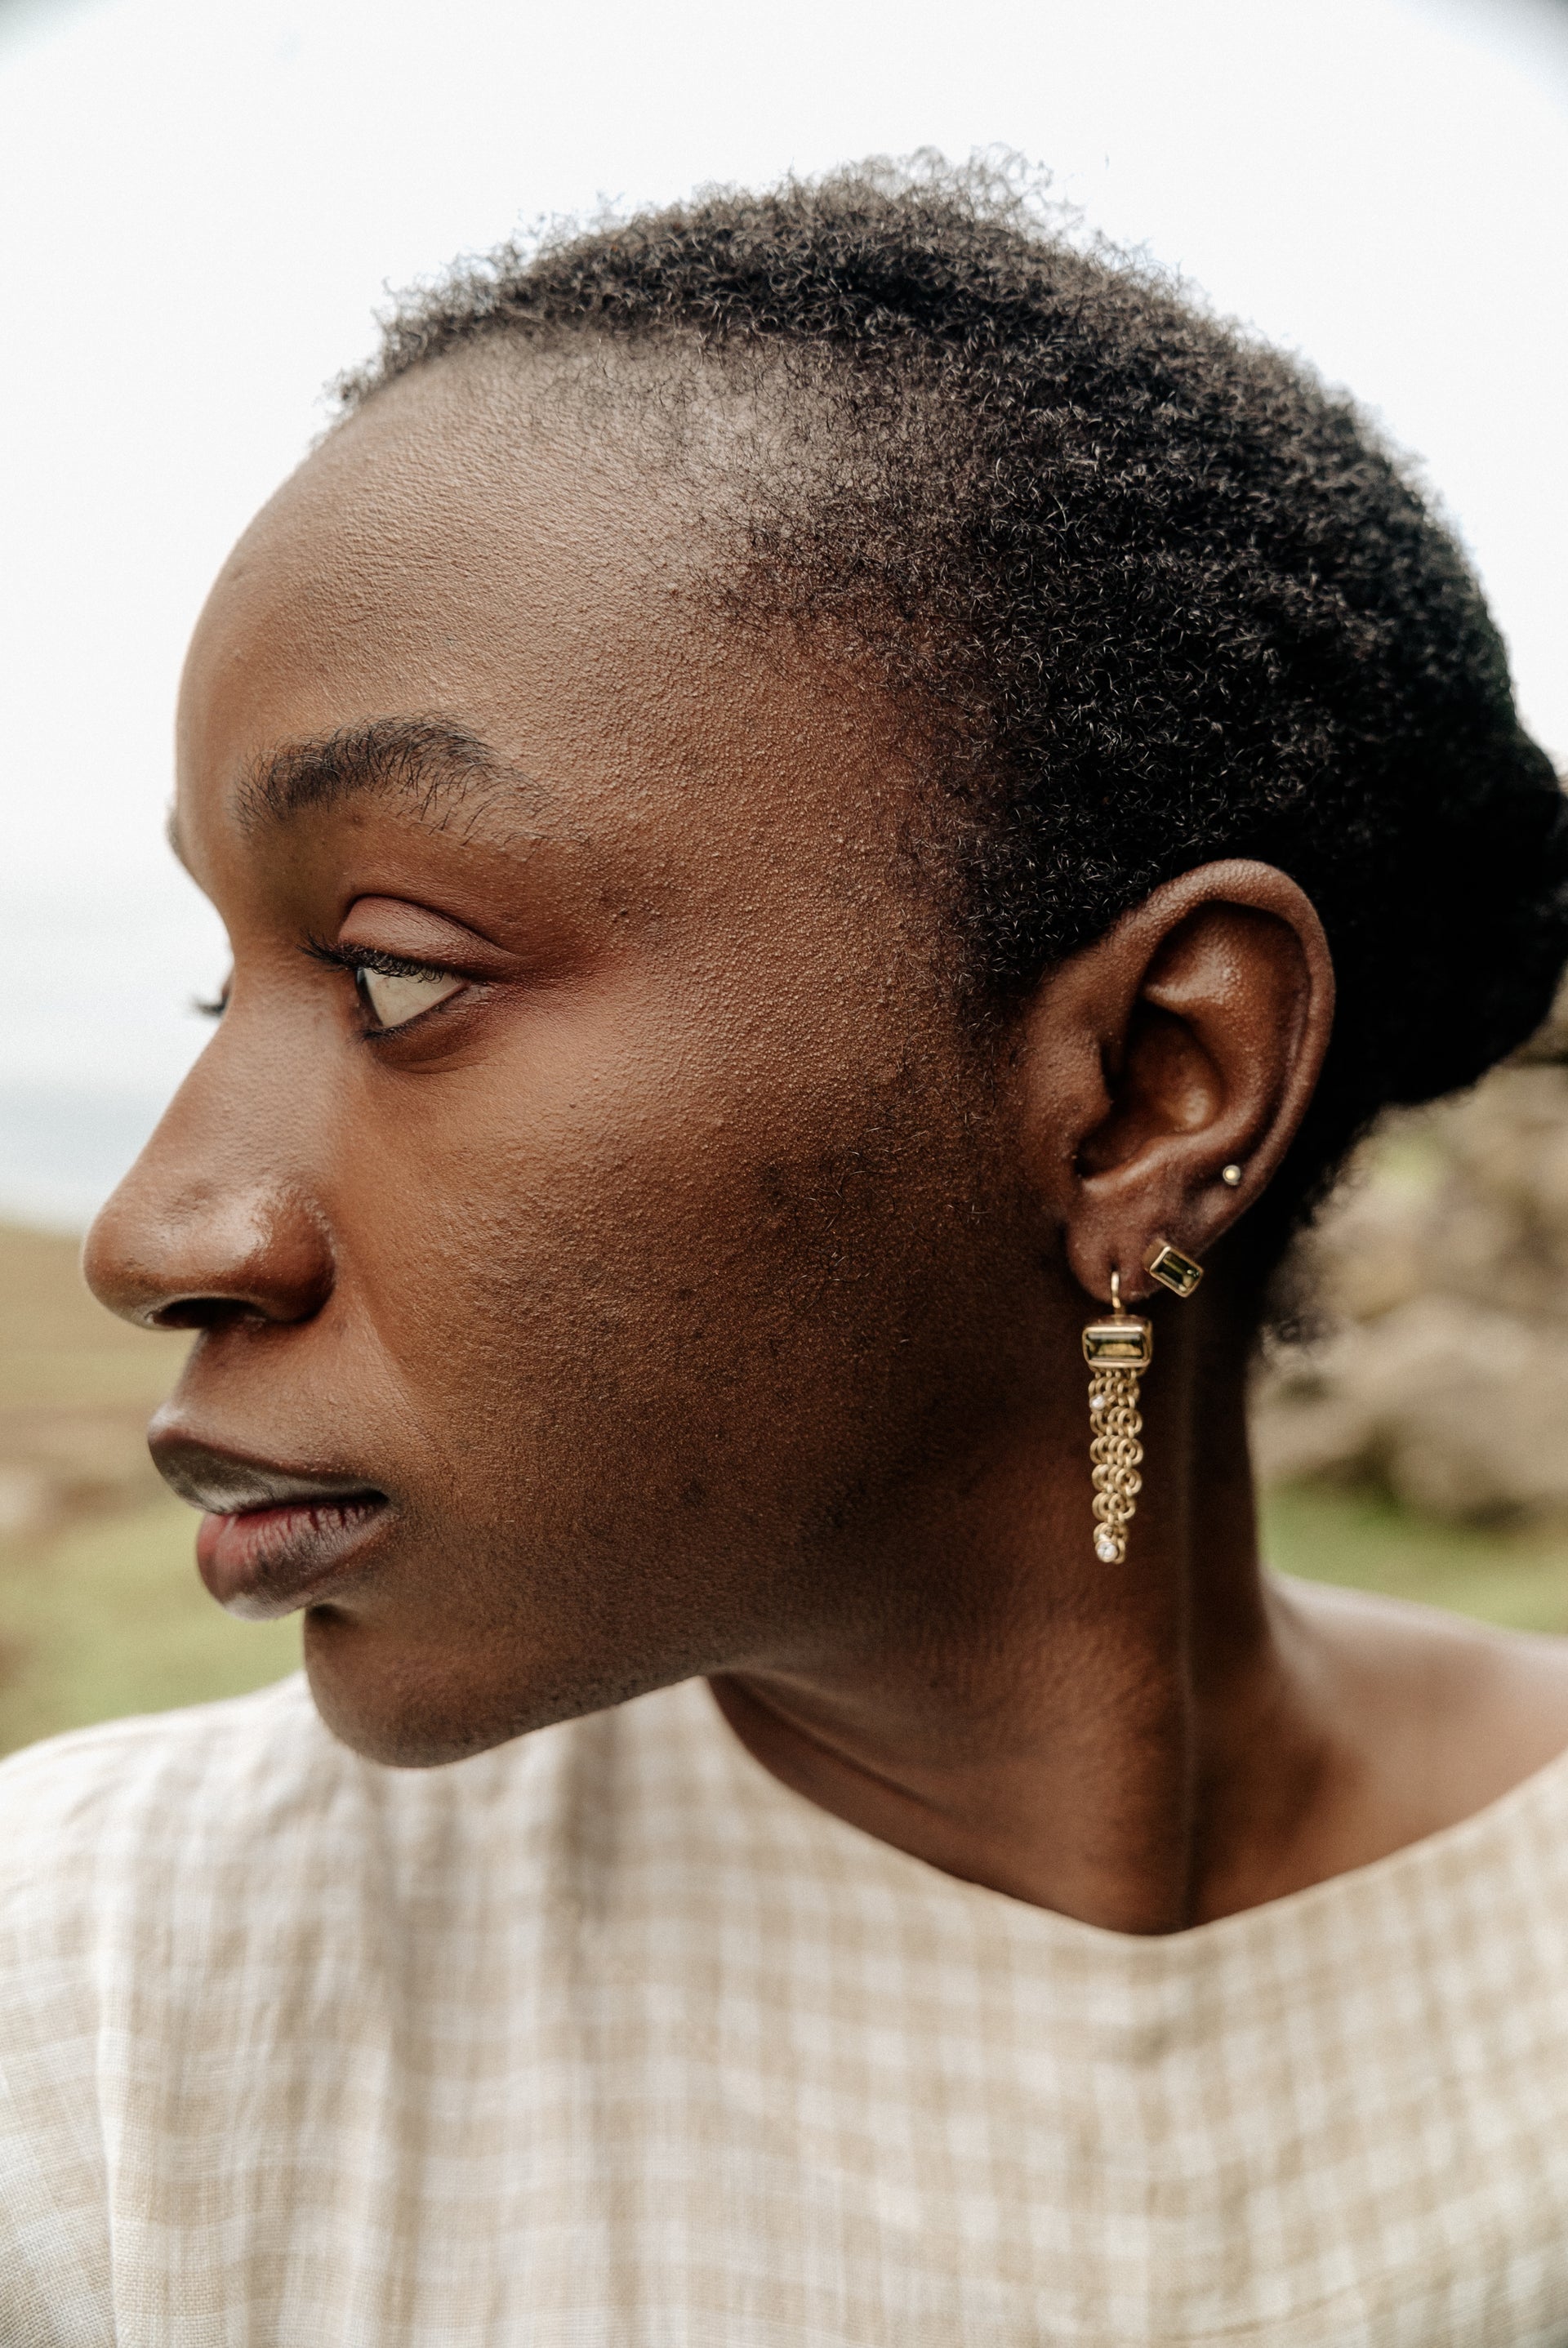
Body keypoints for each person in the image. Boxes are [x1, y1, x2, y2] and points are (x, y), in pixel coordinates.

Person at [4, 160, 1568, 2347]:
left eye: (391, 971)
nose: (173, 1227)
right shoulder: (91, 2038)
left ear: (1151, 1083)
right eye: (219, 990)